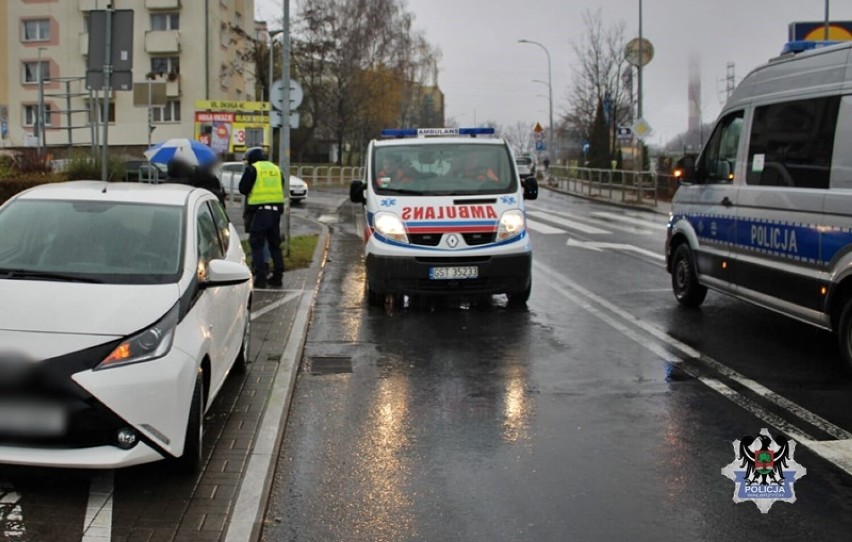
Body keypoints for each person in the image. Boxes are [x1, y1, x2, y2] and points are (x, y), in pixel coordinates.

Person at [239, 147, 284, 289]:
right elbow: (281, 185)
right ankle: (278, 277)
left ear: (252, 158)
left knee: (257, 244)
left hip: (259, 211)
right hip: (276, 211)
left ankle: (261, 278)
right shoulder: (276, 169)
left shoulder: (253, 169)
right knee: (274, 245)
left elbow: (243, 189)